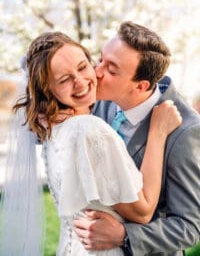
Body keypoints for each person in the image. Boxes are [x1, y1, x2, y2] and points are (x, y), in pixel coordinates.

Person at [0, 32, 181, 256]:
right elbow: (142, 212)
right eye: (64, 80)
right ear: (48, 89)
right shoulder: (89, 129)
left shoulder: (54, 131)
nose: (80, 81)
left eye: (83, 66)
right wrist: (158, 132)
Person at [74, 21, 200, 256]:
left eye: (111, 70)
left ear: (141, 86)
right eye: (100, 59)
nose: (96, 72)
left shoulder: (186, 132)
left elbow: (188, 227)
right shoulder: (99, 95)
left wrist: (123, 235)